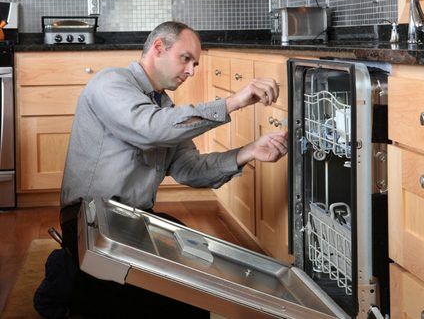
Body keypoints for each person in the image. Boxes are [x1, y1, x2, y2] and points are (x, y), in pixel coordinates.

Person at [38, 21, 288, 318]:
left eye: (195, 63)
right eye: (186, 58)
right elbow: (150, 129)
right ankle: (64, 276)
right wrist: (233, 102)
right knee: (155, 307)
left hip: (131, 221)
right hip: (91, 223)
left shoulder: (165, 111)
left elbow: (190, 169)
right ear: (158, 48)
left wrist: (248, 152)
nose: (191, 70)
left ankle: (72, 271)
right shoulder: (110, 83)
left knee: (194, 287)